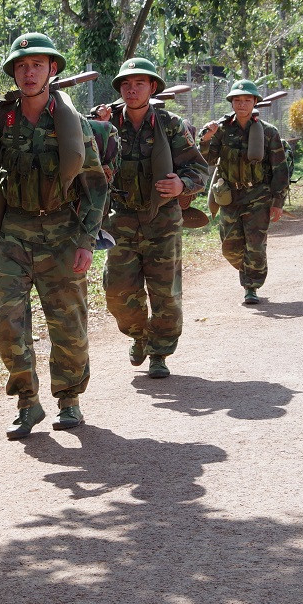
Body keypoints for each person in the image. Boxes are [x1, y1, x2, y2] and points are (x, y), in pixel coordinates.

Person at [0, 33, 108, 439]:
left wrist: (86, 240)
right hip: (13, 233)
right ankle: (27, 402)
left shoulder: (72, 124)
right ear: (14, 72)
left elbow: (96, 184)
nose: (29, 73)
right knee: (8, 322)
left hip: (63, 233)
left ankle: (69, 399)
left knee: (68, 322)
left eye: (37, 65)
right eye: (22, 66)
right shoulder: (1, 119)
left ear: (52, 70)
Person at [102, 57, 208, 379]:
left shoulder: (170, 125)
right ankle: (138, 335)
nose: (131, 89)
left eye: (139, 83)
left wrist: (182, 184)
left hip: (161, 222)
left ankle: (159, 352)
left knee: (165, 293)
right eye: (125, 84)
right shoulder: (106, 124)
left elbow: (199, 169)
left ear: (152, 88)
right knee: (118, 292)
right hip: (120, 222)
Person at [199, 79, 289, 305]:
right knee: (230, 247)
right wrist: (207, 140)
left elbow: (280, 169)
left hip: (258, 195)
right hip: (229, 196)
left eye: (247, 100)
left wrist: (278, 202)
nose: (242, 104)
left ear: (255, 102)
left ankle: (251, 286)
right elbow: (208, 160)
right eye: (237, 100)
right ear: (231, 103)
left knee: (255, 244)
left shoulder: (269, 132)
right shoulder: (221, 130)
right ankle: (248, 269)